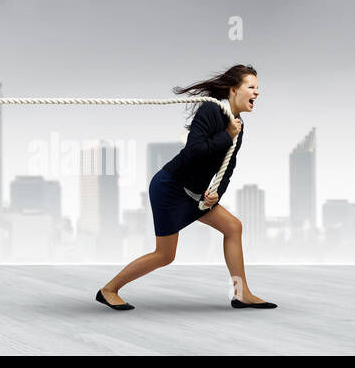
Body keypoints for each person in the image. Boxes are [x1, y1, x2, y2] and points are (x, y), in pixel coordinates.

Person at [95, 64, 276, 310]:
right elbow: (195, 151)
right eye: (251, 87)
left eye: (258, 88)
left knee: (233, 227)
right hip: (170, 188)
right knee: (165, 256)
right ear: (234, 90)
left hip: (196, 195)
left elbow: (228, 166)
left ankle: (241, 293)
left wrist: (216, 193)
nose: (257, 92)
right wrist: (227, 134)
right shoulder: (211, 111)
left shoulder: (238, 125)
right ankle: (108, 290)